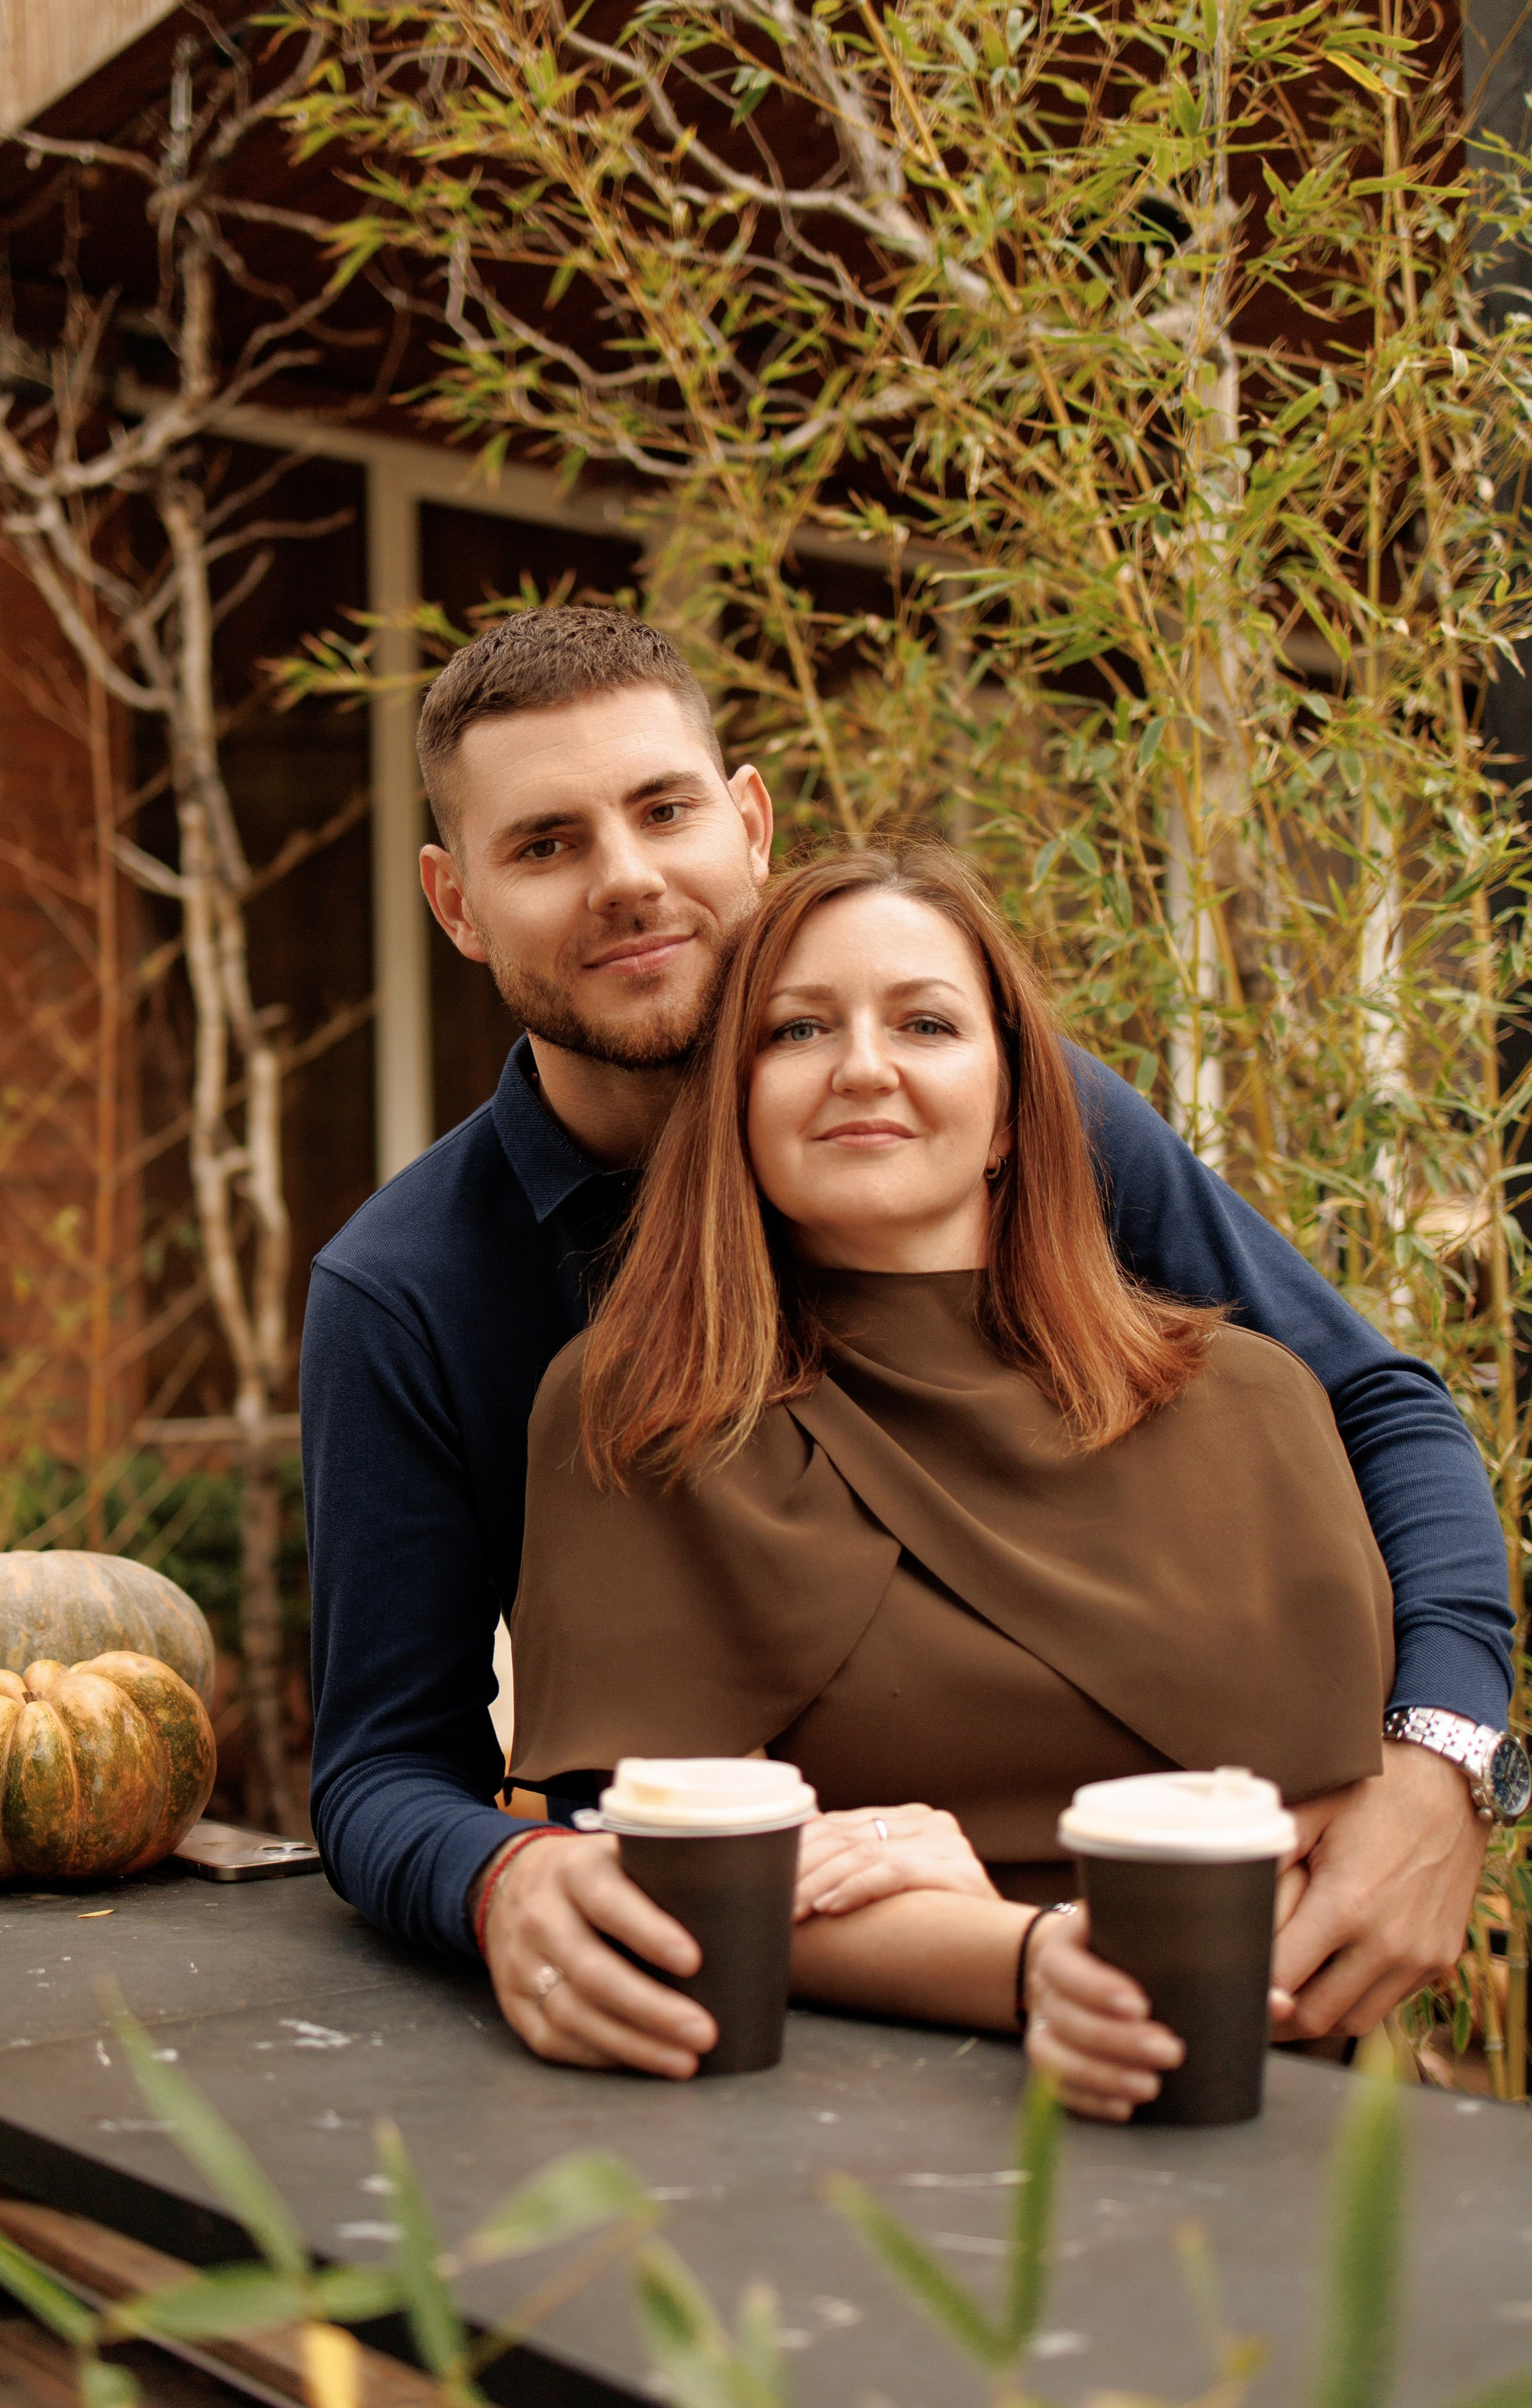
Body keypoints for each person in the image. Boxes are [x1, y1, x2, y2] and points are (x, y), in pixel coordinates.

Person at [301, 608, 1514, 2080]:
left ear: (745, 823)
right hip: (788, 2050)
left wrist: (1441, 1764)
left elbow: (1374, 1408)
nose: (626, 879)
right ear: (454, 902)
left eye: (663, 810)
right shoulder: (428, 1300)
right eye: (544, 845)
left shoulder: (1020, 1118)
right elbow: (381, 1764)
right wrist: (509, 1877)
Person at [507, 844, 1406, 2119]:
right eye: (798, 1028)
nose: (863, 1066)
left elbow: (1344, 1833)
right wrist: (1032, 1953)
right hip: (869, 2126)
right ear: (735, 1102)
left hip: (1286, 2106)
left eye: (925, 1022)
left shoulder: (1251, 1398)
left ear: (1010, 1109)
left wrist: (1001, 1907)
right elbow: (702, 1892)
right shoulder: (642, 1414)